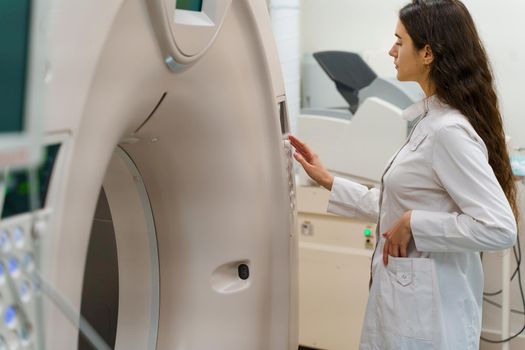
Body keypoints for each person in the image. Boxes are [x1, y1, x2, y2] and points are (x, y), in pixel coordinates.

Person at [290, 0, 518, 349]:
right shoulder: (430, 119)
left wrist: (415, 223)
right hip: (411, 312)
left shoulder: (448, 132)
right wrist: (328, 181)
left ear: (428, 53)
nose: (391, 50)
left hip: (430, 323)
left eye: (400, 41)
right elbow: (397, 206)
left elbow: (500, 227)